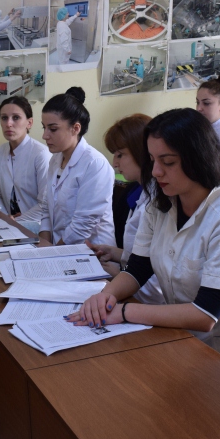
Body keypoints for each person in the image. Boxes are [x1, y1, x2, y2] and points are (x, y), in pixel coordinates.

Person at [68, 108, 220, 361]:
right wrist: (104, 298)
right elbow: (138, 269)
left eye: (167, 162)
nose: (156, 171)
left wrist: (123, 311)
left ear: (198, 159)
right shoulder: (160, 206)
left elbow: (205, 314)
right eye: (152, 160)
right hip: (182, 338)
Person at [86, 114, 164, 303]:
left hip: (150, 303)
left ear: (142, 152)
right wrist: (116, 253)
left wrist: (119, 275)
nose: (115, 163)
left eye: (120, 154)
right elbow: (145, 256)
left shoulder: (160, 201)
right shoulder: (139, 193)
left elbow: (157, 284)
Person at [39, 87, 115, 246]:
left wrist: (53, 252)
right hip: (58, 247)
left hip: (92, 251)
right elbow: (46, 208)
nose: (45, 135)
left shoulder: (95, 164)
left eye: (53, 129)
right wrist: (44, 244)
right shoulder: (56, 159)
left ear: (75, 128)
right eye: (44, 127)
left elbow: (83, 224)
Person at [0, 96, 50, 231]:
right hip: (7, 224)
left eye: (16, 118)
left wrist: (15, 222)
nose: (9, 124)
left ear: (29, 123)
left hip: (38, 226)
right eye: (4, 118)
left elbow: (45, 204)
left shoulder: (41, 154)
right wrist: (6, 218)